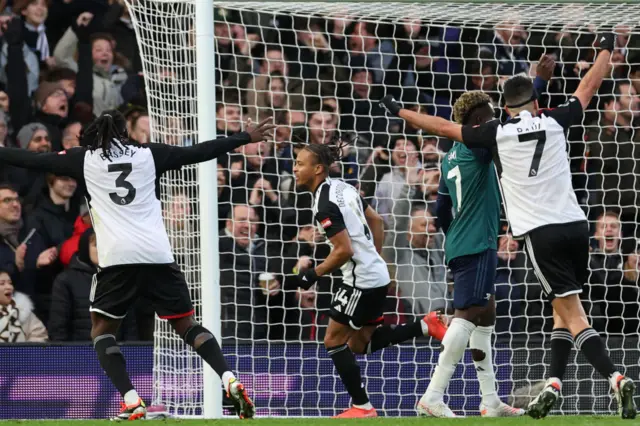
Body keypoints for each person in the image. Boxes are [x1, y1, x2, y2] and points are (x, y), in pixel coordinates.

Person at [380, 34, 637, 420]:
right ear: (535, 104)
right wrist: (604, 48)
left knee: (563, 313)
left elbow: (441, 133)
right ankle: (550, 383)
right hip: (575, 227)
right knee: (553, 310)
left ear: (501, 109)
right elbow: (588, 86)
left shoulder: (486, 140)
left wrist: (400, 111)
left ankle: (611, 378)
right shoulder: (553, 120)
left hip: (525, 235)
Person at [0, 110, 275, 420]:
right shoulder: (149, 153)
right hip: (158, 254)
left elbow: (32, 160)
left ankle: (132, 399)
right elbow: (197, 152)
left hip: (118, 257)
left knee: (102, 331)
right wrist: (243, 138)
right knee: (187, 326)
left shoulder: (83, 158)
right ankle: (228, 378)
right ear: (126, 132)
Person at [292, 142, 447, 419]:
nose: (295, 168)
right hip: (376, 276)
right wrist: (374, 256)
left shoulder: (324, 204)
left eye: (300, 164)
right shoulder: (343, 187)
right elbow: (375, 220)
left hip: (359, 283)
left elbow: (343, 250)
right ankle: (425, 325)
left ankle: (362, 407)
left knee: (332, 341)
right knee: (360, 344)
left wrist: (313, 274)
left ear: (317, 169)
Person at [417, 91, 524, 418]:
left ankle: (490, 401)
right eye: (490, 117)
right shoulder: (480, 149)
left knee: (485, 315)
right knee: (466, 315)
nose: (494, 123)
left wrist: (456, 235)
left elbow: (441, 210)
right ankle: (433, 396)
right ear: (478, 121)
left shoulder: (450, 157)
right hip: (479, 243)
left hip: (462, 243)